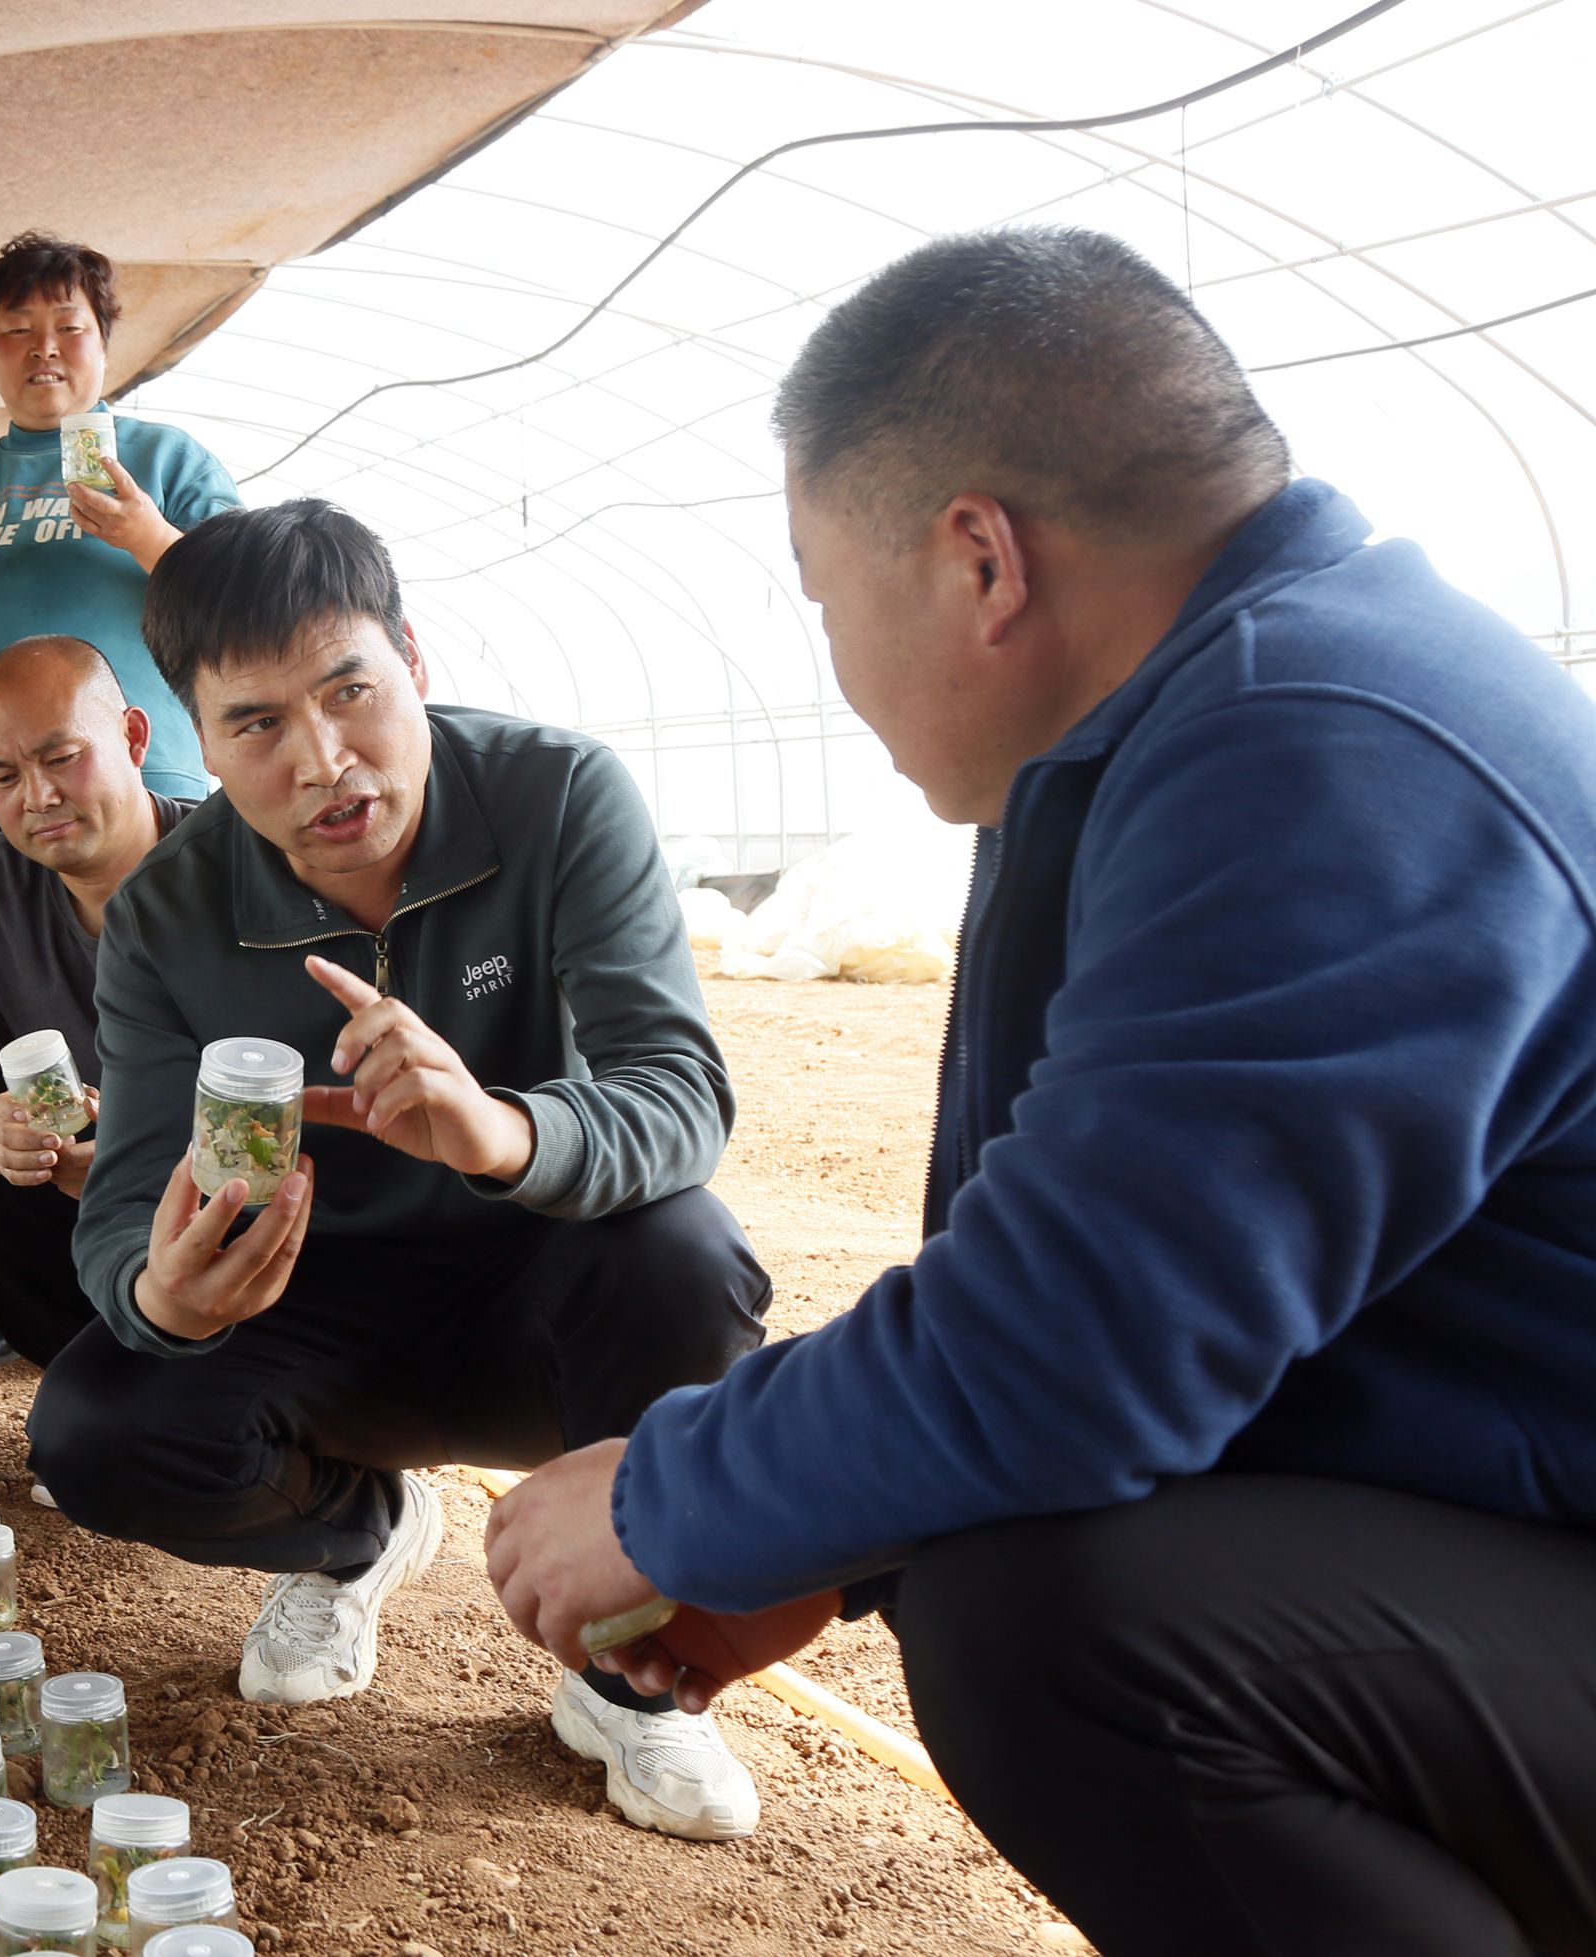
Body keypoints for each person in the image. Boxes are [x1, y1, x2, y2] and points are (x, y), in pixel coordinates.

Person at [482, 228, 1596, 1954]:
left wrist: (660, 1501)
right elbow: (1151, 1294)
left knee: (1055, 1625)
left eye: (819, 585)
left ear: (979, 559)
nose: (835, 658)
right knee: (1006, 1571)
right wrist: (826, 1547)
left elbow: (1071, 1350)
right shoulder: (1204, 719)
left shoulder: (1318, 748)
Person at [32, 499, 775, 1841]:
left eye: (350, 692)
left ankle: (629, 1677)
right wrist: (167, 1296)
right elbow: (120, 1204)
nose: (323, 761)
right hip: (311, 1306)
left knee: (686, 1256)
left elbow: (679, 1095)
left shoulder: (557, 798)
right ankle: (352, 1532)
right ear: (197, 744)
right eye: (256, 724)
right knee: (97, 1421)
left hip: (546, 1281)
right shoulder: (167, 914)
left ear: (415, 664)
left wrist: (502, 1132)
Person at [0, 231, 240, 896]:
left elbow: (245, 607)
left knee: (156, 991)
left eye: (70, 326)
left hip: (138, 795)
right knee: (3, 996)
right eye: (16, 329)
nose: (45, 347)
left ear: (104, 342)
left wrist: (146, 533)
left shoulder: (166, 462)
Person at [0, 635, 188, 1375]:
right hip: (74, 1185)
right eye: (2, 773)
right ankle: (109, 1384)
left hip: (217, 1188)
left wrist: (139, 1147)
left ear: (134, 736)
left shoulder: (229, 866)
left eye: (61, 757)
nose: (37, 796)